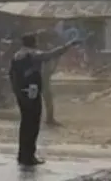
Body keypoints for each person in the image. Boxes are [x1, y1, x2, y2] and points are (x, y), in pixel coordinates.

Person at [9, 32, 78, 166]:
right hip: (31, 93)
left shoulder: (17, 55)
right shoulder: (33, 55)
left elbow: (11, 75)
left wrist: (17, 91)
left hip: (21, 93)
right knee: (33, 124)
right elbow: (51, 55)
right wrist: (68, 45)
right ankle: (29, 156)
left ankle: (22, 155)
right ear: (34, 42)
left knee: (25, 124)